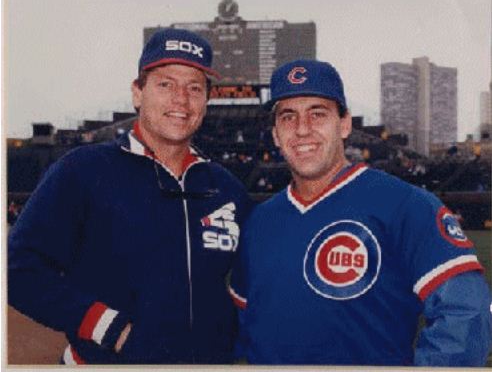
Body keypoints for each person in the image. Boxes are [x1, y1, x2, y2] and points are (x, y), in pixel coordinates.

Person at [8, 28, 252, 364]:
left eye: (194, 87)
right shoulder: (83, 171)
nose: (181, 99)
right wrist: (110, 329)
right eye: (165, 84)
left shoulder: (227, 189)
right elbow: (17, 269)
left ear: (206, 101)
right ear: (138, 93)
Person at [229, 59, 492, 366]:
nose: (302, 129)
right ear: (275, 134)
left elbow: (467, 311)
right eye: (288, 117)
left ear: (344, 124)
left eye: (318, 113)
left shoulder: (404, 204)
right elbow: (243, 326)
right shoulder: (259, 222)